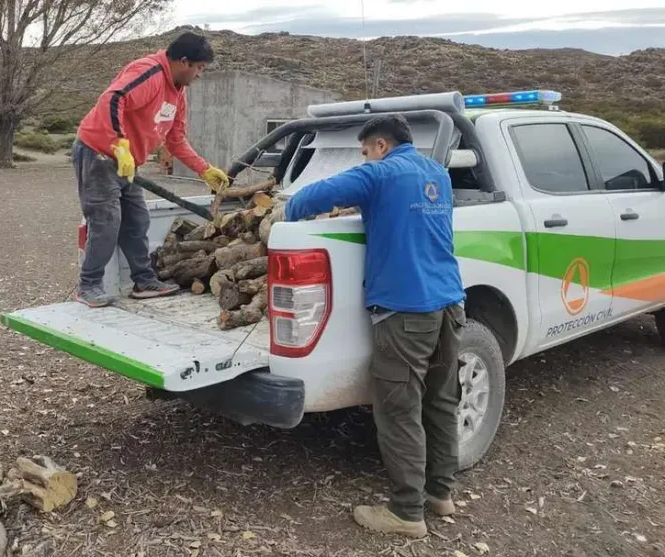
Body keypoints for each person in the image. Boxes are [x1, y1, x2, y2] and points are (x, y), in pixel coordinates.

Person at [276, 114, 466, 538]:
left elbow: (314, 198)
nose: (364, 157)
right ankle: (440, 493)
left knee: (399, 411)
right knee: (440, 400)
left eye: (364, 151)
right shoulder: (436, 172)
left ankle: (405, 513)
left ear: (380, 145)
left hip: (405, 311)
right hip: (450, 303)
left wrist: (286, 209)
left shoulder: (380, 173)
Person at [72, 31, 230, 308]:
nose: (200, 75)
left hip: (127, 163)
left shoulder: (178, 93)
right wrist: (118, 143)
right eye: (200, 68)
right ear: (184, 62)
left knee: (137, 221)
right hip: (98, 155)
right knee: (106, 221)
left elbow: (176, 139)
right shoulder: (150, 72)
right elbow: (113, 99)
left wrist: (204, 170)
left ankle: (144, 282)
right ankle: (88, 286)